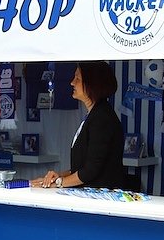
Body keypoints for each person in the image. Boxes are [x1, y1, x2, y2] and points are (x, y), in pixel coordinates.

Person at [32, 61, 125, 190]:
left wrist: (59, 182)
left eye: (77, 79)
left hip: (101, 200)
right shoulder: (94, 115)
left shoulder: (102, 119)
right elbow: (82, 168)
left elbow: (90, 171)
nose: (72, 82)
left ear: (92, 84)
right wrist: (58, 176)